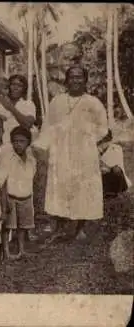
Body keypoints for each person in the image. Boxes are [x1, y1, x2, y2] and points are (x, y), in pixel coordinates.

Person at [33, 65, 108, 242]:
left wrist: (89, 139)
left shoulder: (93, 102)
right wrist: (43, 146)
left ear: (85, 80)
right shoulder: (57, 101)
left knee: (83, 187)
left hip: (84, 152)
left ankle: (81, 227)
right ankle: (59, 226)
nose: (75, 80)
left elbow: (103, 128)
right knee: (60, 186)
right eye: (72, 77)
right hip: (61, 151)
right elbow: (48, 126)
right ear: (67, 81)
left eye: (79, 77)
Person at [0, 127, 37, 260]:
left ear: (28, 142)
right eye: (15, 141)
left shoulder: (31, 159)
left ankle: (21, 250)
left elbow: (31, 177)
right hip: (11, 197)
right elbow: (3, 182)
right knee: (8, 226)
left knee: (22, 227)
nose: (18, 144)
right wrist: (4, 202)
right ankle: (6, 252)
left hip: (26, 197)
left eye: (22, 141)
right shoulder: (8, 159)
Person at [0, 74, 37, 144]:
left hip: (19, 144)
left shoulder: (28, 104)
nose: (15, 88)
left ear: (24, 89)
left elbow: (28, 124)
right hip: (1, 143)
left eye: (19, 86)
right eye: (13, 84)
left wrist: (11, 108)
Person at [98, 130, 132, 198]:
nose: (103, 144)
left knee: (116, 170)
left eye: (105, 141)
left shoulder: (116, 149)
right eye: (100, 142)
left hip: (117, 179)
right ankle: (106, 192)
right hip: (103, 178)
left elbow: (110, 168)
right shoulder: (95, 150)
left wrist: (100, 161)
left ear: (110, 141)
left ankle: (116, 192)